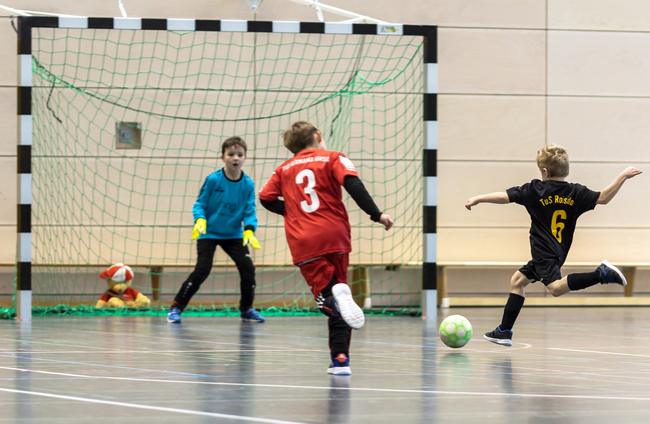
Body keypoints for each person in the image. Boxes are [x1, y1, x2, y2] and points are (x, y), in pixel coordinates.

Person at [465, 144, 642, 346]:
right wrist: (623, 176)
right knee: (517, 281)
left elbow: (505, 197)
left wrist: (478, 198)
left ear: (544, 171)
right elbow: (603, 198)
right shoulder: (575, 192)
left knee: (556, 289)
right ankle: (504, 331)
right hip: (558, 251)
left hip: (544, 253)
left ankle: (600, 274)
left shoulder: (535, 190)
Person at [259, 121, 393, 375]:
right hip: (337, 235)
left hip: (305, 239)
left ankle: (336, 305)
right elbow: (354, 186)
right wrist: (377, 214)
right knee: (340, 290)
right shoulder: (334, 158)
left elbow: (265, 198)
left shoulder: (284, 169)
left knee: (327, 299)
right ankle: (341, 360)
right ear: (318, 136)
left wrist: (292, 211)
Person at [167, 136, 265, 324]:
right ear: (223, 158)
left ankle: (246, 309)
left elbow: (249, 210)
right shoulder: (213, 180)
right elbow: (199, 204)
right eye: (231, 154)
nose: (235, 158)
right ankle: (176, 308)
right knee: (202, 270)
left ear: (245, 158)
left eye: (239, 154)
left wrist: (249, 230)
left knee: (247, 269)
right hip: (209, 232)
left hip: (234, 234)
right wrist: (200, 219)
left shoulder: (248, 184)